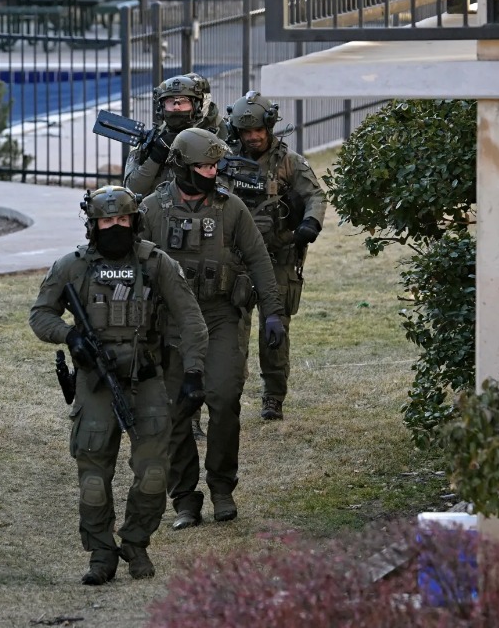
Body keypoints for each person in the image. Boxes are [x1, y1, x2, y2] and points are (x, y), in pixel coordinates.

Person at [29, 186, 208, 585]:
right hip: (94, 384)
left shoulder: (156, 263)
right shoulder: (71, 267)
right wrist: (69, 336)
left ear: (135, 222)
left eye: (122, 220)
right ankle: (100, 553)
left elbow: (192, 320)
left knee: (154, 474)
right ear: (93, 225)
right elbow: (40, 315)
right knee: (93, 479)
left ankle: (135, 541)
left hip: (145, 380)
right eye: (107, 221)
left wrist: (194, 373)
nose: (115, 227)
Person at [138, 128, 286, 530]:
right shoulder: (152, 209)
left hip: (220, 316)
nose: (212, 171)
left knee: (223, 398)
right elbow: (133, 268)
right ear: (183, 167)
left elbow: (259, 260)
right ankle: (185, 497)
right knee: (174, 412)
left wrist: (273, 313)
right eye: (204, 165)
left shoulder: (230, 207)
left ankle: (222, 487)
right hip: (172, 322)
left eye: (216, 164)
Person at [224, 91, 327, 421]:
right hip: (236, 260)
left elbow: (315, 195)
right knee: (231, 335)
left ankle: (273, 397)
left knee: (275, 332)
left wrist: (310, 223)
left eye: (258, 131)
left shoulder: (290, 162)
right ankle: (229, 395)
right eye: (245, 132)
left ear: (269, 127)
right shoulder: (225, 160)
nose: (253, 138)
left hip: (278, 257)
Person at [122, 73, 227, 196]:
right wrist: (156, 155)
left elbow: (224, 187)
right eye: (171, 101)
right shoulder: (152, 141)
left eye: (183, 101)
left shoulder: (217, 138)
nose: (177, 107)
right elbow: (132, 190)